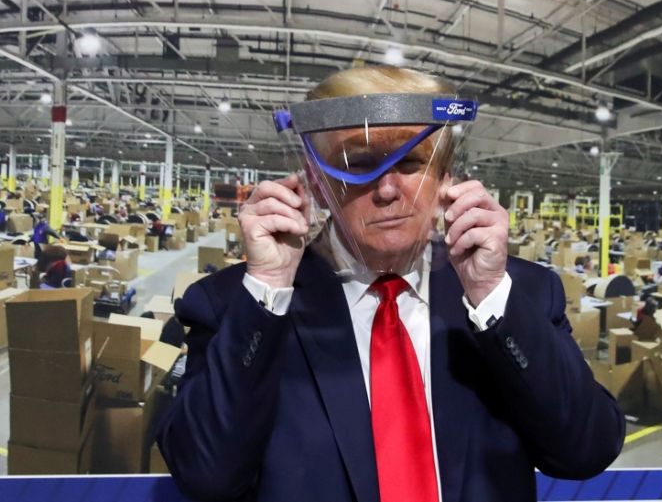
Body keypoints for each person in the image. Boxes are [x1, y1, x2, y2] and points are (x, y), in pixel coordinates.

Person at [157, 66, 624, 502]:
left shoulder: (521, 294)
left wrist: (490, 295)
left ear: (445, 175)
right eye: (359, 163)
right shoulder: (235, 306)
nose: (386, 190)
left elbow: (585, 450)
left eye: (411, 163)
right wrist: (268, 289)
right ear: (317, 182)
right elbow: (206, 475)